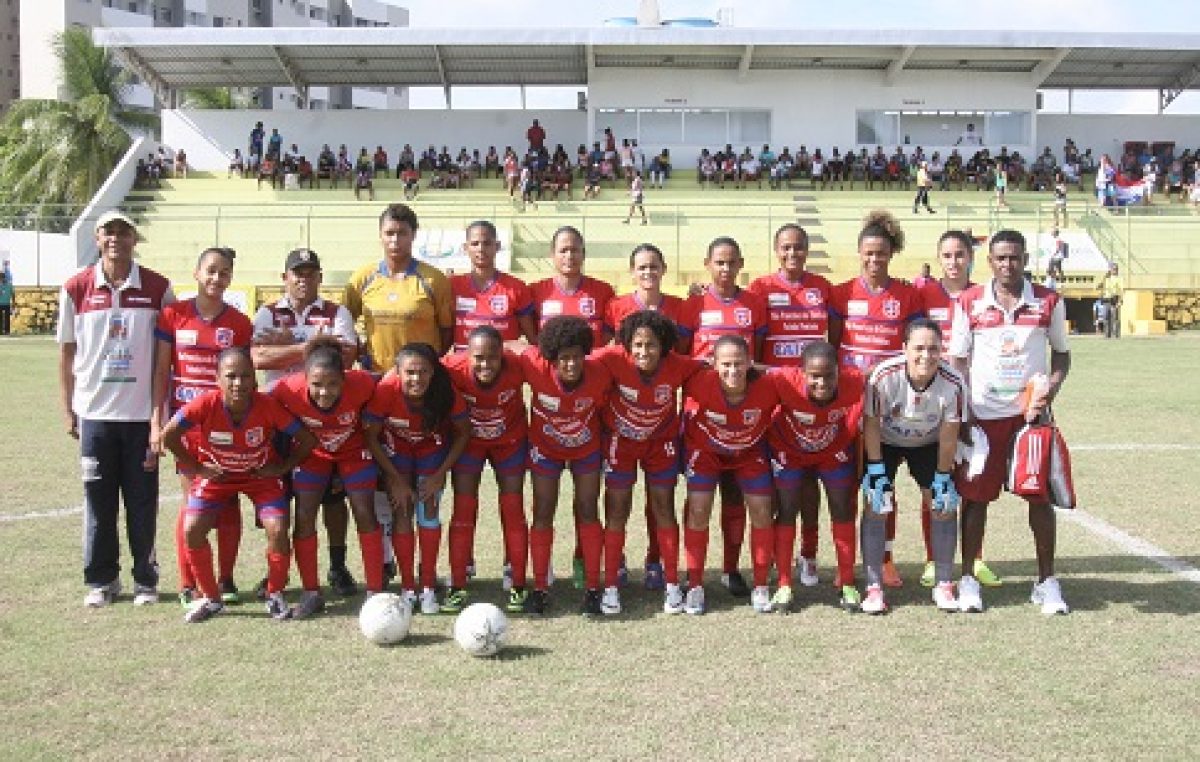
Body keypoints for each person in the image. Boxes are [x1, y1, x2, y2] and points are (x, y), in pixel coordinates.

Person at [948, 229, 1072, 615]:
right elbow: (958, 360)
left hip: (1029, 419)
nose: (1007, 264)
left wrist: (1050, 388)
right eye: (1000, 258)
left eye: (1014, 258)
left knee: (1039, 498)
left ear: (1024, 260)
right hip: (983, 418)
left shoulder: (1049, 301)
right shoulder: (969, 302)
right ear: (989, 262)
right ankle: (968, 578)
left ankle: (1046, 581)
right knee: (974, 499)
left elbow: (1062, 356)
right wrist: (965, 409)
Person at [58, 211, 175, 608]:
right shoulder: (75, 287)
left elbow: (166, 360)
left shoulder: (159, 288)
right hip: (94, 415)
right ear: (97, 236)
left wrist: (160, 414)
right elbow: (67, 352)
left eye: (124, 232)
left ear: (134, 240)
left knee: (142, 501)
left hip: (141, 417)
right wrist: (67, 407)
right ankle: (102, 580)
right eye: (109, 231)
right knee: (98, 500)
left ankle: (145, 579)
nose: (115, 239)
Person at [159, 348, 318, 623]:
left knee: (278, 529)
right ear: (217, 378)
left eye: (246, 376)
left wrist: (281, 467)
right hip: (217, 477)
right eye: (231, 376)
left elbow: (307, 439)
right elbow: (169, 434)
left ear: (255, 380)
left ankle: (274, 594)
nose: (238, 383)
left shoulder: (267, 406)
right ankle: (211, 598)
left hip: (260, 478)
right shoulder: (204, 404)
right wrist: (197, 467)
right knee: (192, 529)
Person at [251, 247, 361, 596]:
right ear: (284, 278)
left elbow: (346, 355)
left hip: (323, 419)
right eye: (297, 273)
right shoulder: (267, 313)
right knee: (277, 499)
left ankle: (337, 565)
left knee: (332, 499)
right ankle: (276, 570)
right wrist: (312, 346)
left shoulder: (337, 311)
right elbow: (256, 357)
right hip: (278, 420)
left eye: (311, 272)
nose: (303, 279)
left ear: (320, 277)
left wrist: (289, 344)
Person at [149, 247, 253, 607]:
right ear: (196, 273)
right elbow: (162, 372)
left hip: (225, 427)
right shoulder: (173, 315)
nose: (217, 278)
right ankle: (188, 581)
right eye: (210, 271)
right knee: (194, 501)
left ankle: (225, 578)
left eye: (224, 273)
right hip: (186, 425)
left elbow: (243, 378)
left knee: (228, 501)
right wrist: (156, 421)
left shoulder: (240, 324)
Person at [829, 211, 923, 587]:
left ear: (891, 254)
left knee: (882, 485)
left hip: (890, 407)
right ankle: (845, 562)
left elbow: (915, 349)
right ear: (858, 253)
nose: (874, 260)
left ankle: (885, 558)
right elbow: (834, 347)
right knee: (845, 488)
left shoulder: (907, 295)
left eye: (881, 253)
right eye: (868, 253)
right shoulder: (841, 293)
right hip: (850, 406)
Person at [593, 311, 705, 615]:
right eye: (638, 345)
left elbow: (714, 367)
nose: (644, 352)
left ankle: (671, 585)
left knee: (663, 508)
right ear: (627, 344)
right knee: (616, 509)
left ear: (665, 346)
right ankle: (612, 587)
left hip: (661, 444)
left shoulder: (679, 365)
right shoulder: (611, 358)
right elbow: (577, 360)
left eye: (651, 345)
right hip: (620, 443)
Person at [270, 338, 388, 619]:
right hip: (313, 455)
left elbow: (389, 381)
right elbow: (259, 401)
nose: (324, 392)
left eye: (333, 384)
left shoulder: (361, 383)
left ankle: (374, 592)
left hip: (354, 452)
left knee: (364, 509)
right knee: (305, 514)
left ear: (345, 379)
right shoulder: (287, 389)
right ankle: (312, 592)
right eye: (317, 384)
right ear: (305, 378)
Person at [678, 236, 769, 598]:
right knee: (698, 500)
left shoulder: (755, 304)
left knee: (736, 498)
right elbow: (683, 359)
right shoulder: (693, 304)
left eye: (732, 262)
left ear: (741, 264)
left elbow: (756, 359)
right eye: (719, 262)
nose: (726, 269)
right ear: (707, 264)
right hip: (702, 417)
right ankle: (693, 575)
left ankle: (731, 569)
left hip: (742, 417)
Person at [860, 319, 967, 615]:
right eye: (918, 348)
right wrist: (876, 470)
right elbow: (870, 424)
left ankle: (944, 582)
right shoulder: (883, 376)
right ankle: (873, 586)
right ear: (904, 348)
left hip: (928, 443)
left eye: (934, 349)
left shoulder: (953, 382)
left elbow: (949, 436)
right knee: (876, 502)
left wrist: (943, 477)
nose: (926, 356)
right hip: (885, 441)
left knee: (943, 504)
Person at [747, 224, 833, 585]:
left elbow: (836, 347)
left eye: (799, 247)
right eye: (785, 248)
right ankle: (773, 557)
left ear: (807, 250)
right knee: (779, 487)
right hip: (776, 400)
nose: (792, 253)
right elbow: (751, 345)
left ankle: (808, 555)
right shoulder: (761, 289)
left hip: (816, 398)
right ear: (776, 250)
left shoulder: (823, 289)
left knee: (811, 485)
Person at [915, 230, 1002, 588]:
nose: (954, 262)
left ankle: (974, 557)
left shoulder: (984, 297)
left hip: (971, 400)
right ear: (939, 259)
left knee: (972, 482)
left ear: (971, 258)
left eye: (960, 255)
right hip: (930, 400)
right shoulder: (923, 295)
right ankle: (934, 559)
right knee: (933, 484)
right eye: (947, 255)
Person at [602, 243, 686, 590]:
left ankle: (658, 562)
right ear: (632, 271)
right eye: (641, 267)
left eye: (654, 266)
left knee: (661, 502)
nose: (648, 272)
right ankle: (615, 563)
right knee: (617, 502)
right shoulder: (615, 306)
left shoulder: (681, 307)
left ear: (664, 268)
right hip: (620, 430)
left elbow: (687, 360)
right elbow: (605, 357)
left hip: (661, 429)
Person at [517, 316, 612, 615]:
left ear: (586, 353)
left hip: (586, 449)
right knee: (543, 509)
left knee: (587, 508)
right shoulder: (534, 365)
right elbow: (509, 345)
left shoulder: (600, 372)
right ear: (551, 358)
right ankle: (541, 587)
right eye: (563, 359)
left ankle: (593, 588)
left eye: (576, 357)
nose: (571, 365)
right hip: (546, 450)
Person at [680, 335, 782, 615]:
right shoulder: (698, 381)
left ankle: (760, 586)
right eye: (725, 364)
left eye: (739, 363)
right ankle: (695, 585)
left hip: (749, 453)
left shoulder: (769, 385)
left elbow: (800, 377)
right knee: (698, 510)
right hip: (705, 452)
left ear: (750, 362)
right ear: (713, 364)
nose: (732, 371)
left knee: (762, 510)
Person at [367, 343, 471, 615]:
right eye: (410, 372)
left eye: (423, 372)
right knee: (401, 510)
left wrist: (440, 475)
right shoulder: (386, 390)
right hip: (396, 453)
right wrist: (395, 480)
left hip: (432, 452)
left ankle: (427, 587)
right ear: (398, 372)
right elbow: (370, 436)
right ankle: (408, 588)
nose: (416, 379)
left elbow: (462, 433)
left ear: (433, 372)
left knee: (429, 511)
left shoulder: (445, 391)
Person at [766, 341, 864, 612]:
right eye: (814, 376)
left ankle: (847, 582)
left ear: (839, 372)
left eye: (829, 375)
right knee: (787, 509)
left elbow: (877, 377)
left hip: (833, 451)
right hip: (789, 451)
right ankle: (785, 584)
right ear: (802, 373)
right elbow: (755, 371)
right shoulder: (785, 379)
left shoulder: (854, 381)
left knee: (843, 509)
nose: (822, 383)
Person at [443, 327, 532, 613]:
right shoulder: (452, 368)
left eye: (493, 357)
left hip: (510, 441)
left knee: (513, 508)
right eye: (478, 358)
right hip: (469, 443)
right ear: (467, 355)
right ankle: (457, 584)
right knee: (464, 508)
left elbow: (545, 360)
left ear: (503, 355)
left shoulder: (518, 365)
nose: (485, 365)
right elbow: (412, 367)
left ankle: (518, 583)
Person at [343, 203, 454, 371]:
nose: (395, 240)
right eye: (389, 233)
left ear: (413, 235)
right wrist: (360, 350)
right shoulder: (362, 278)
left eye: (402, 233)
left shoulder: (434, 280)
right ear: (380, 235)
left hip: (420, 378)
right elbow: (343, 321)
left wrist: (428, 363)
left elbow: (447, 331)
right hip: (377, 374)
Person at [449, 220, 537, 352]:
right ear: (465, 248)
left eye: (487, 243)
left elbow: (533, 340)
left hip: (504, 366)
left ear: (497, 246)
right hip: (463, 367)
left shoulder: (516, 287)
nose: (481, 248)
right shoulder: (452, 285)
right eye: (474, 244)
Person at [530, 226, 615, 348]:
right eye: (563, 250)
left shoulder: (604, 291)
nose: (569, 256)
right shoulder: (535, 291)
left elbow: (609, 336)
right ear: (552, 255)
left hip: (591, 365)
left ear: (583, 254)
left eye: (574, 250)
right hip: (550, 365)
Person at [1099, 262, 1122, 338]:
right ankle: (1107, 334)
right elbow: (1100, 286)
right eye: (1113, 269)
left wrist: (1120, 300)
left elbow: (1121, 290)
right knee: (1106, 317)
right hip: (1106, 299)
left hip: (1114, 299)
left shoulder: (1119, 279)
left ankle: (1116, 334)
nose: (1115, 270)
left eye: (1116, 269)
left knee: (1115, 317)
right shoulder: (1106, 278)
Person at [0, 271, 12, 335]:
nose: (2, 279)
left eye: (2, 277)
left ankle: (7, 331)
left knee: (7, 318)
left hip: (6, 303)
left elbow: (12, 294)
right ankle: (2, 331)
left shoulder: (9, 285)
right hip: (2, 303)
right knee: (2, 318)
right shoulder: (9, 285)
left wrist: (13, 302)